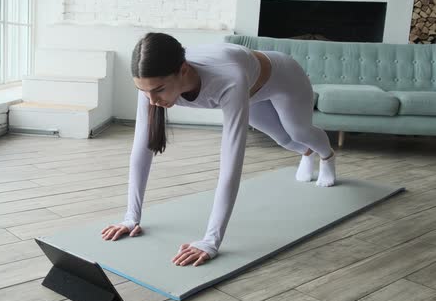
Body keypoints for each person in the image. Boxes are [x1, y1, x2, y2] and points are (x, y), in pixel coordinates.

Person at [100, 32, 336, 267]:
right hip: (251, 87)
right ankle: (306, 154)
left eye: (158, 90)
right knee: (284, 141)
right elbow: (142, 147)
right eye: (144, 91)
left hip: (284, 77)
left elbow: (231, 163)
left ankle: (327, 156)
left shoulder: (228, 78)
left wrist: (211, 240)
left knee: (298, 132)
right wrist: (131, 218)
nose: (151, 100)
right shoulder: (151, 84)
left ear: (182, 71)